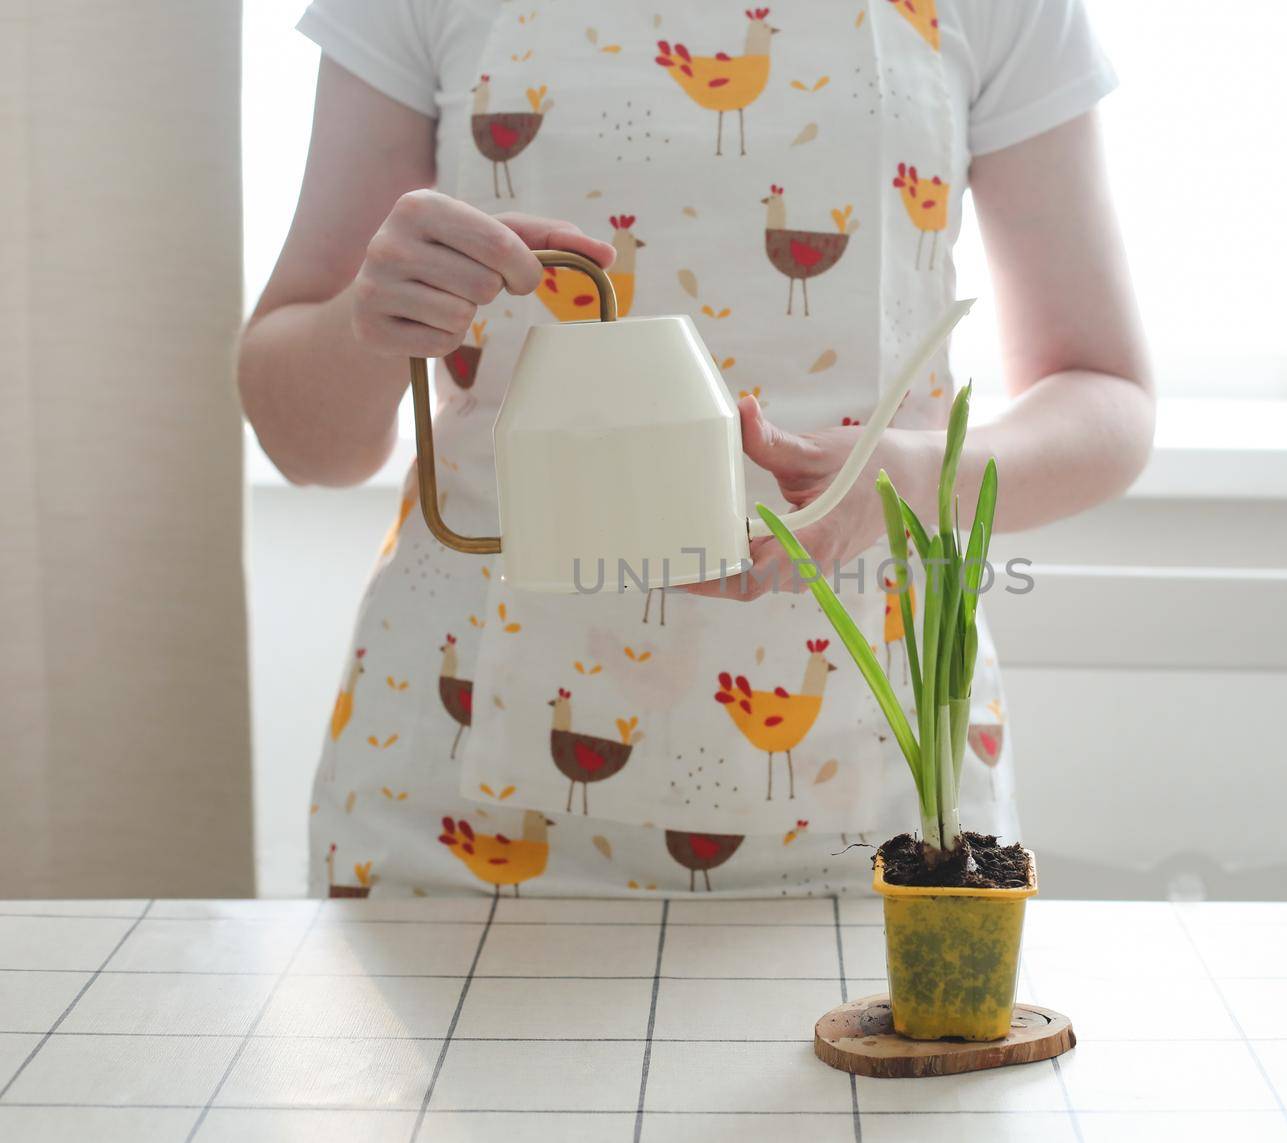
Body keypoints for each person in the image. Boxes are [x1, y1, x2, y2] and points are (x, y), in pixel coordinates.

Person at [238, 0, 1152, 899]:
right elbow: (310, 446)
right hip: (450, 793)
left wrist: (910, 480)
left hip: (885, 801)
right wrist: (377, 317)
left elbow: (1106, 395)